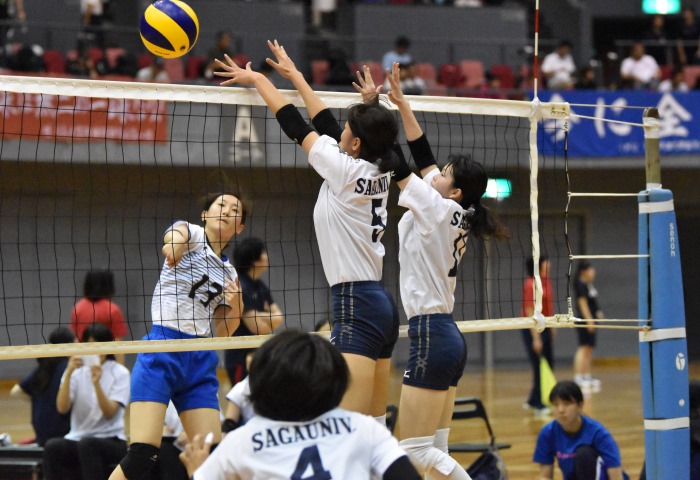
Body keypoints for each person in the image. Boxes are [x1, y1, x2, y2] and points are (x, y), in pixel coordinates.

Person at [215, 40, 401, 423]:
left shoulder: (343, 170)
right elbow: (327, 125)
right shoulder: (380, 166)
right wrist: (296, 76)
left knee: (346, 425)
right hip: (380, 302)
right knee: (375, 426)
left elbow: (295, 124)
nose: (339, 131)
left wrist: (258, 80)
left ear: (356, 143)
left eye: (348, 129)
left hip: (355, 302)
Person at [385, 62, 506, 480]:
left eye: (443, 176)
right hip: (447, 336)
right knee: (435, 450)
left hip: (432, 336)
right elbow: (423, 155)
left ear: (453, 191)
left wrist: (373, 114)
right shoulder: (454, 207)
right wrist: (402, 104)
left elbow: (398, 163)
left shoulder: (436, 207)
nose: (434, 175)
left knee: (413, 451)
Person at [109, 190, 246, 480]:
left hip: (199, 360)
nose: (226, 211)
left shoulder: (230, 274)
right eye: (221, 205)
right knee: (143, 454)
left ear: (240, 227)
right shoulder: (193, 234)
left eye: (235, 210)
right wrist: (173, 246)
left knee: (212, 455)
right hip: (163, 349)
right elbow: (175, 233)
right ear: (205, 214)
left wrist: (236, 305)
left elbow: (223, 333)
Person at [179, 330, 422, 480]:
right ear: (336, 380)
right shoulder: (364, 428)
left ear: (260, 384)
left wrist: (197, 471)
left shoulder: (241, 442)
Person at [43, 324, 130, 480]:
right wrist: (69, 373)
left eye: (98, 346)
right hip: (78, 438)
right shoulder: (76, 372)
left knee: (87, 444)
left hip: (112, 440)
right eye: (89, 345)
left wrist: (96, 384)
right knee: (52, 446)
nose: (94, 351)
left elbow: (109, 413)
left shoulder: (120, 373)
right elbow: (62, 408)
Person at [534, 380, 629, 480]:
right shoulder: (548, 433)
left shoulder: (598, 433)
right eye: (556, 404)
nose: (561, 410)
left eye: (567, 404)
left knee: (584, 454)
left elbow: (616, 475)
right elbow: (545, 476)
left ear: (580, 406)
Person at [224, 237, 284, 387]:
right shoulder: (240, 285)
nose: (267, 256)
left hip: (259, 355)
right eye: (263, 252)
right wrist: (269, 318)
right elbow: (259, 328)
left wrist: (258, 315)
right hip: (240, 356)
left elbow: (279, 318)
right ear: (255, 261)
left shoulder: (260, 285)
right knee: (241, 398)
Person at [10, 327, 75, 446]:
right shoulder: (69, 368)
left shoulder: (44, 366)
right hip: (62, 434)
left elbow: (15, 391)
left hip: (40, 434)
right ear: (70, 343)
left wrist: (39, 399)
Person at [71, 270, 128, 364]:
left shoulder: (78, 308)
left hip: (84, 359)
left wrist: (73, 363)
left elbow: (77, 340)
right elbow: (118, 343)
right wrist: (121, 367)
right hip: (106, 360)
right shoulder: (112, 309)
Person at [521, 256, 555, 414]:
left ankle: (533, 400)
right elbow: (529, 311)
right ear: (539, 265)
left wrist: (552, 325)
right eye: (546, 262)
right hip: (532, 328)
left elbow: (549, 304)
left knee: (546, 363)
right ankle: (541, 405)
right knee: (539, 365)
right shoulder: (531, 283)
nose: (549, 264)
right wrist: (536, 338)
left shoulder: (546, 280)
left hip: (545, 326)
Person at [573, 261, 603, 392]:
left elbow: (592, 302)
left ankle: (586, 375)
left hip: (591, 320)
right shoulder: (580, 284)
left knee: (589, 348)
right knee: (583, 347)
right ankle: (579, 376)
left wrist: (598, 312)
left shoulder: (588, 284)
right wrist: (589, 320)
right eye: (591, 269)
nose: (593, 272)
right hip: (584, 321)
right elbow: (583, 304)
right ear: (584, 271)